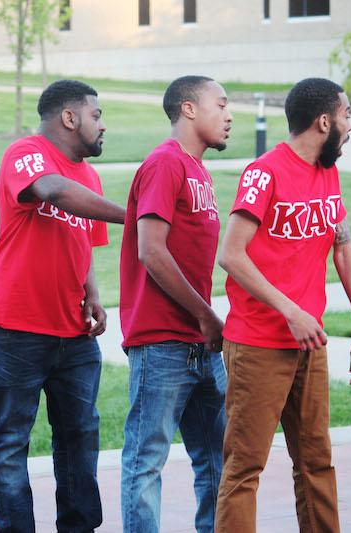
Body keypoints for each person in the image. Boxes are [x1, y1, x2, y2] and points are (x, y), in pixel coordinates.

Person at [215, 77, 351, 533]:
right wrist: (291, 310)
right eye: (346, 116)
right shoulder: (264, 172)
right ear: (324, 121)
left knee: (316, 461)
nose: (350, 126)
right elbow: (231, 254)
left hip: (311, 343)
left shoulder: (329, 172)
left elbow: (343, 248)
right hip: (259, 344)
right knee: (245, 468)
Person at [0, 79, 126, 532]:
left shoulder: (89, 175)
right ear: (70, 117)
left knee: (80, 436)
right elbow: (53, 191)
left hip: (73, 333)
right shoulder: (26, 152)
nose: (102, 125)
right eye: (96, 115)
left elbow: (83, 240)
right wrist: (136, 211)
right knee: (9, 441)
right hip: (12, 327)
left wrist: (93, 295)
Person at [118, 75, 232, 533]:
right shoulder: (165, 164)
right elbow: (151, 249)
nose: (229, 115)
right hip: (162, 344)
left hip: (202, 346)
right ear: (188, 109)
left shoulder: (198, 170)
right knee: (146, 462)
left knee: (220, 461)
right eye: (220, 104)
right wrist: (206, 314)